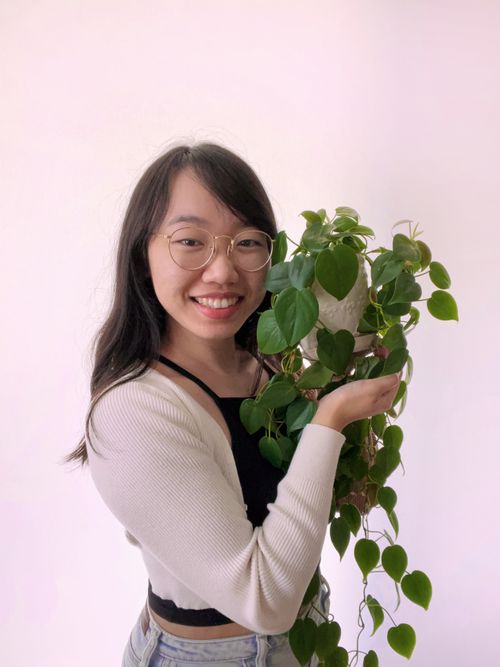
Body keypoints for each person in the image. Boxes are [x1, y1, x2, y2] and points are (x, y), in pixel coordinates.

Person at [63, 141, 401, 667]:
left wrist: (347, 365)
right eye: (190, 241)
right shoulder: (133, 412)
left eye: (246, 242)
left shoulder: (269, 364)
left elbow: (291, 508)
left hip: (308, 640)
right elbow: (264, 600)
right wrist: (332, 419)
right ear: (141, 256)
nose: (221, 272)